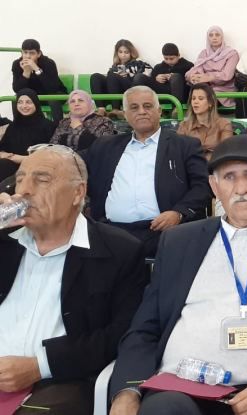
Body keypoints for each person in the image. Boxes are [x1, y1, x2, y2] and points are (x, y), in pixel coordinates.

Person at [108, 135, 247, 415]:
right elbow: (145, 326)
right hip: (178, 388)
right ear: (214, 187)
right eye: (229, 177)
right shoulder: (179, 242)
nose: (241, 188)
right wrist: (127, 391)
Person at [0, 145, 147, 415]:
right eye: (20, 179)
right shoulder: (4, 241)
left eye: (42, 179)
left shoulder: (119, 251)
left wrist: (40, 365)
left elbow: (121, 333)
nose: (25, 190)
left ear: (78, 192)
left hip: (60, 379)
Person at [82, 86, 211, 258]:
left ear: (159, 111)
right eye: (134, 107)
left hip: (164, 233)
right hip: (112, 232)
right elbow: (72, 162)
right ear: (125, 114)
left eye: (148, 106)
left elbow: (202, 186)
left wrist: (179, 213)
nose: (142, 112)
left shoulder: (184, 145)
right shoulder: (105, 146)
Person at [0, 89, 55, 181]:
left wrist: (18, 158)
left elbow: (49, 156)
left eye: (28, 102)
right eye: (20, 102)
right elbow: (3, 147)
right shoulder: (13, 126)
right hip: (11, 166)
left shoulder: (48, 126)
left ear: (35, 104)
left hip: (36, 167)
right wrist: (2, 154)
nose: (24, 106)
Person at [90, 39, 152, 118]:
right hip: (113, 90)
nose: (123, 55)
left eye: (126, 52)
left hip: (130, 90)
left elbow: (145, 77)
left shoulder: (139, 63)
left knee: (113, 76)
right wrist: (115, 76)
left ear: (131, 52)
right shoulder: (114, 67)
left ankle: (116, 109)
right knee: (95, 76)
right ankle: (101, 109)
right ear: (117, 53)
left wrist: (128, 75)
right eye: (120, 52)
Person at [11, 39, 67, 121]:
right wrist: (26, 72)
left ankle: (58, 126)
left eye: (32, 53)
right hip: (33, 96)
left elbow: (52, 89)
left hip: (54, 94)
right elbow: (17, 90)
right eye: (25, 52)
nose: (28, 56)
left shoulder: (48, 63)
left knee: (52, 99)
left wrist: (36, 69)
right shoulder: (17, 64)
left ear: (39, 54)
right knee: (15, 98)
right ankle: (18, 125)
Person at [185, 26, 240, 108]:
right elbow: (196, 69)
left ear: (222, 37)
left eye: (217, 35)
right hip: (205, 89)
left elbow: (227, 75)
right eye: (211, 35)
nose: (214, 38)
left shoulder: (232, 54)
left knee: (203, 99)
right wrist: (192, 77)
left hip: (224, 90)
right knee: (197, 93)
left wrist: (208, 77)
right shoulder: (204, 53)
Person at [176, 83, 234, 159]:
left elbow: (226, 151)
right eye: (193, 98)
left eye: (200, 99)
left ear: (210, 103)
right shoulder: (184, 126)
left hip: (215, 163)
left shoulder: (224, 124)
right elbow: (178, 151)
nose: (195, 102)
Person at [49, 90, 115, 151]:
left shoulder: (103, 121)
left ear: (89, 103)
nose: (76, 104)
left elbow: (102, 148)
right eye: (72, 101)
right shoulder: (64, 122)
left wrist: (78, 127)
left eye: (81, 100)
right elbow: (53, 146)